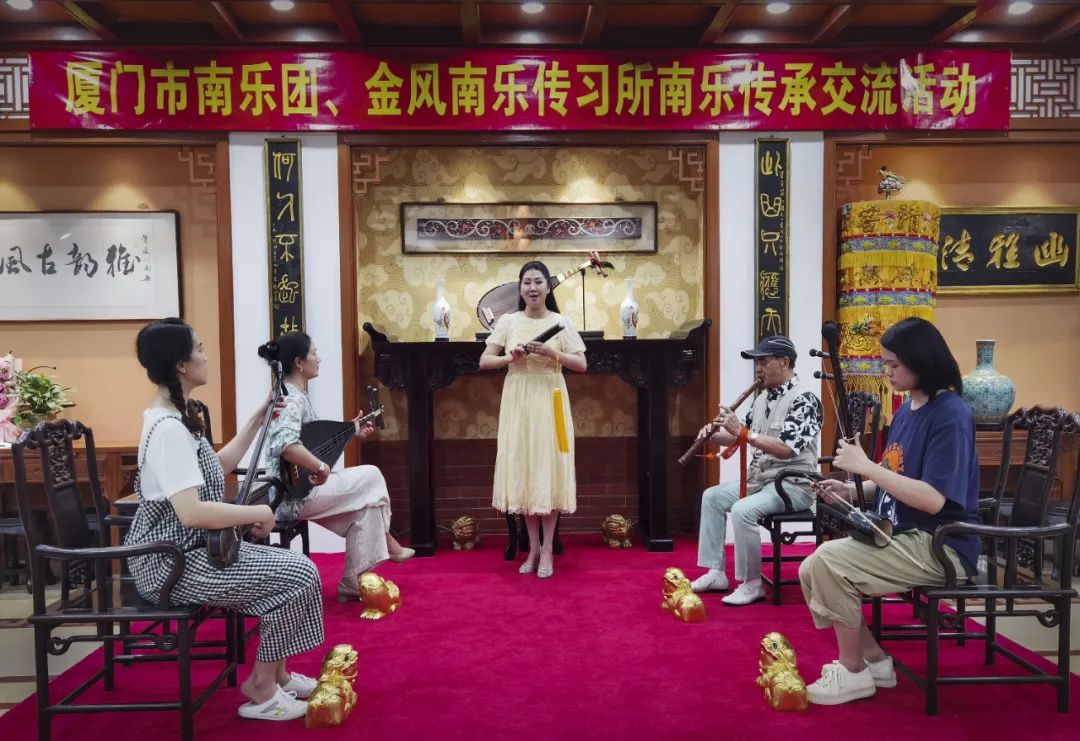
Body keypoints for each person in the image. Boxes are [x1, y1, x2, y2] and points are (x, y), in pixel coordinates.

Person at [126, 318, 324, 722]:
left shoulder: (177, 415)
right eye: (198, 348)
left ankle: (278, 676)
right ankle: (262, 688)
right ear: (181, 365)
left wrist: (257, 419)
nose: (205, 356)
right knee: (298, 574)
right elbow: (192, 512)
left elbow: (215, 468)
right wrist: (258, 512)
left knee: (297, 570)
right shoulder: (167, 428)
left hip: (189, 551)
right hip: (170, 562)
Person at [799, 317, 980, 706]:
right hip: (903, 534)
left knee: (828, 562)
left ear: (922, 361)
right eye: (885, 363)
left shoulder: (950, 414)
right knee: (811, 567)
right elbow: (894, 480)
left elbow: (933, 499)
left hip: (941, 544)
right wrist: (852, 489)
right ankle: (876, 661)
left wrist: (866, 466)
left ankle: (852, 672)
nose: (887, 372)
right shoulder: (906, 411)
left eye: (894, 364)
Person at [258, 331, 413, 604]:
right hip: (290, 496)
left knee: (367, 508)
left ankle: (352, 583)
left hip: (298, 489)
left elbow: (315, 442)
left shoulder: (294, 395)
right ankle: (388, 542)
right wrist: (320, 466)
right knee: (372, 475)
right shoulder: (291, 399)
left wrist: (351, 431)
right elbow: (287, 446)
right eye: (314, 353)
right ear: (299, 362)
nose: (319, 359)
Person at [690, 335, 823, 606]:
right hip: (761, 481)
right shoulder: (761, 399)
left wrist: (741, 431)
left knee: (743, 509)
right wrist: (713, 435)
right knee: (712, 497)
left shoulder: (805, 400)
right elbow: (740, 436)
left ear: (784, 362)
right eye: (757, 362)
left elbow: (785, 448)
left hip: (793, 485)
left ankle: (751, 583)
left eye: (763, 361)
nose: (758, 368)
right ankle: (716, 572)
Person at [480, 260, 587, 579]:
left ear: (548, 287)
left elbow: (581, 364)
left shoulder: (561, 322)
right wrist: (508, 357)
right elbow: (485, 361)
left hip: (551, 399)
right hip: (519, 400)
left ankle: (548, 549)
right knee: (525, 469)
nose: (532, 288)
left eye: (538, 282)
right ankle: (534, 548)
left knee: (549, 469)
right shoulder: (509, 321)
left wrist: (552, 354)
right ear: (520, 287)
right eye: (527, 282)